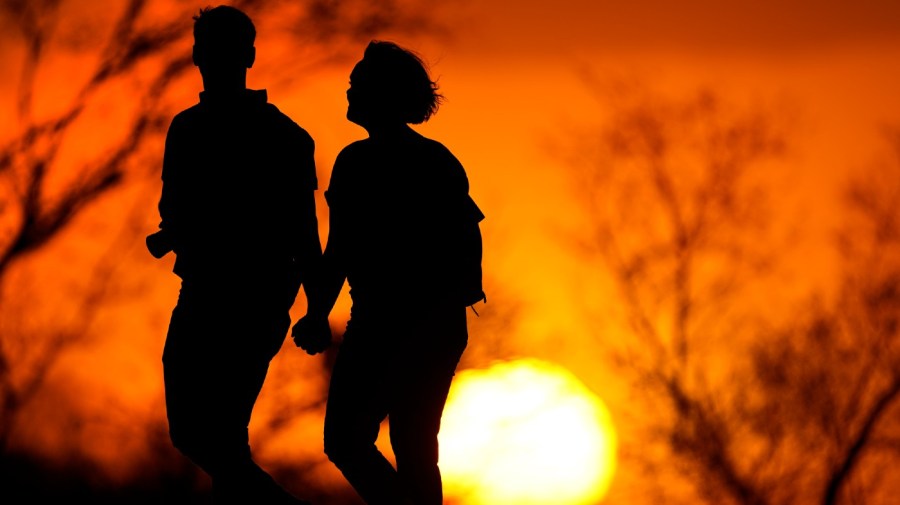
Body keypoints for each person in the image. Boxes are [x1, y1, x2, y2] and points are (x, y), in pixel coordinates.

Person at [292, 40, 486, 505]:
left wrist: (318, 313)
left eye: (358, 85)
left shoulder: (359, 162)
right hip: (425, 325)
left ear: (384, 94)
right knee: (412, 449)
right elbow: (470, 239)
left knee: (353, 441)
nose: (349, 92)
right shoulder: (437, 159)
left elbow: (339, 250)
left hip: (392, 325)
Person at [146, 5, 320, 504]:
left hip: (254, 300)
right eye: (212, 47)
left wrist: (315, 307)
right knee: (210, 438)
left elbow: (303, 233)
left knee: (211, 437)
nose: (216, 57)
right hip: (206, 294)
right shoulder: (190, 130)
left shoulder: (283, 137)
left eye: (225, 47)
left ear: (247, 55)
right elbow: (174, 210)